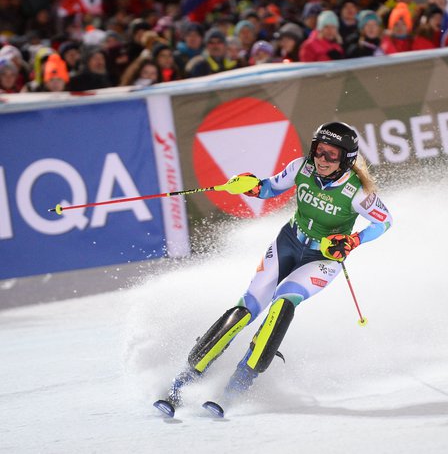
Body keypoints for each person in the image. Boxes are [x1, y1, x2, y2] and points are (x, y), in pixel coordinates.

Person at [155, 121, 394, 416]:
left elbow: (384, 222)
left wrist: (353, 240)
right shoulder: (301, 168)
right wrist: (251, 187)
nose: (321, 159)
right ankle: (183, 382)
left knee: (283, 302)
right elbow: (269, 188)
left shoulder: (357, 193)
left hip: (323, 258)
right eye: (319, 151)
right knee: (247, 308)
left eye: (331, 155)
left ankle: (239, 385)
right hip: (289, 242)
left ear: (345, 159)